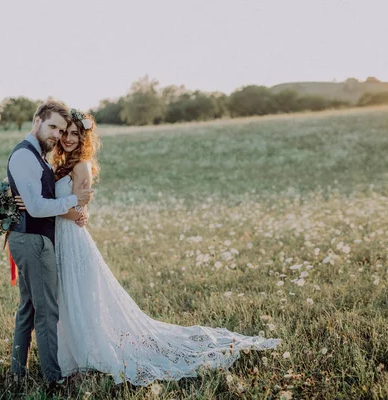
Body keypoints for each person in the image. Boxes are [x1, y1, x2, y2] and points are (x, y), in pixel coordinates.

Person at [16, 108, 280, 387]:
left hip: (72, 239)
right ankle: (67, 351)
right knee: (65, 296)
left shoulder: (81, 166)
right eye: (64, 133)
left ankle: (88, 352)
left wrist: (40, 210)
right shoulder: (56, 164)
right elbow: (59, 200)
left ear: (83, 138)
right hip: (57, 239)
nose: (67, 138)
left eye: (74, 134)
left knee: (79, 296)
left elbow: (79, 208)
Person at [6, 100, 94, 386]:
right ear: (37, 121)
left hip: (38, 237)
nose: (58, 135)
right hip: (33, 239)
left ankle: (17, 372)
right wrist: (74, 202)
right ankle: (53, 379)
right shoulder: (25, 155)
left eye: (62, 129)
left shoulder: (38, 155)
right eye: (53, 127)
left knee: (30, 308)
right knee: (46, 313)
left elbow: (33, 196)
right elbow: (36, 207)